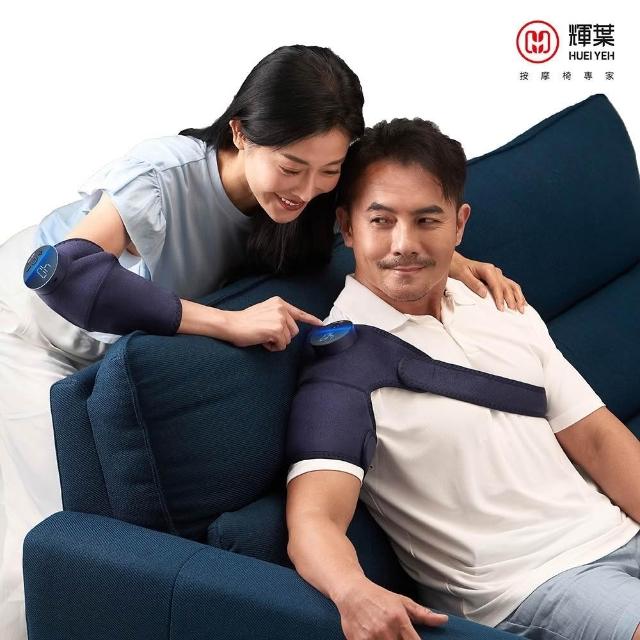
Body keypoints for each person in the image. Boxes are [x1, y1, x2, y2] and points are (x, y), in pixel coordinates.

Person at [0, 45, 524, 639]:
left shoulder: (311, 194)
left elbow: (381, 212)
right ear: (241, 133)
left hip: (108, 349)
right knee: (43, 539)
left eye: (329, 171)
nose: (307, 189)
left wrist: (452, 259)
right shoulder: (161, 177)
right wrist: (227, 322)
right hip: (29, 329)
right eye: (292, 167)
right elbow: (66, 275)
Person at [285, 117, 640, 640]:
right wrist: (353, 592)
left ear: (459, 225)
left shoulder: (499, 303)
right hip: (529, 587)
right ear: (348, 226)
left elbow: (596, 436)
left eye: (427, 220)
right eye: (381, 220)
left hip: (619, 533)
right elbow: (313, 520)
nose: (403, 243)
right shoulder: (343, 370)